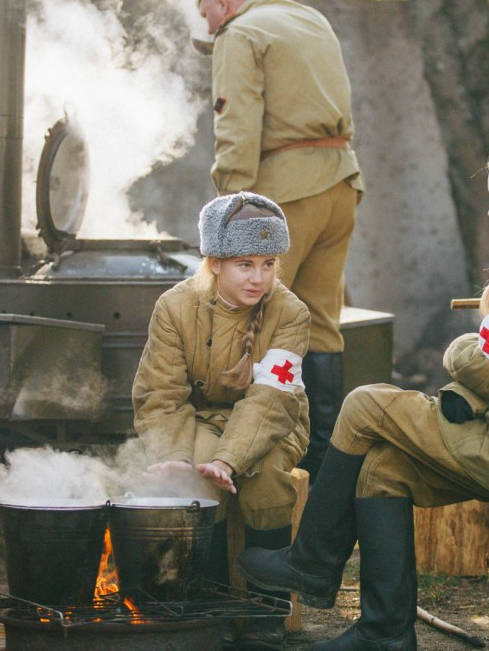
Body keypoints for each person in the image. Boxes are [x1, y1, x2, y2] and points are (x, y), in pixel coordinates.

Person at [237, 132, 489, 651]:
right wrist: (483, 343)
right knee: (382, 471)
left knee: (364, 404)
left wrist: (459, 346)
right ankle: (387, 634)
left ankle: (310, 564)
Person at [194, 0, 364, 483]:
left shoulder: (238, 34)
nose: (208, 28)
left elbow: (237, 129)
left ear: (221, 2)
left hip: (286, 196)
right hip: (341, 185)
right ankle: (327, 468)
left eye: (206, 15)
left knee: (263, 323)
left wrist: (229, 212)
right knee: (319, 322)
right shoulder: (309, 19)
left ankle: (270, 465)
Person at [132, 191, 310, 651]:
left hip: (275, 418)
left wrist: (229, 459)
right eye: (244, 264)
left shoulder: (290, 312)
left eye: (268, 264)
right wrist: (173, 457)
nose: (259, 278)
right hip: (198, 417)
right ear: (214, 262)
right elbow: (161, 394)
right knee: (192, 474)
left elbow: (271, 397)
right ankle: (206, 602)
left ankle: (266, 610)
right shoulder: (174, 308)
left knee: (267, 474)